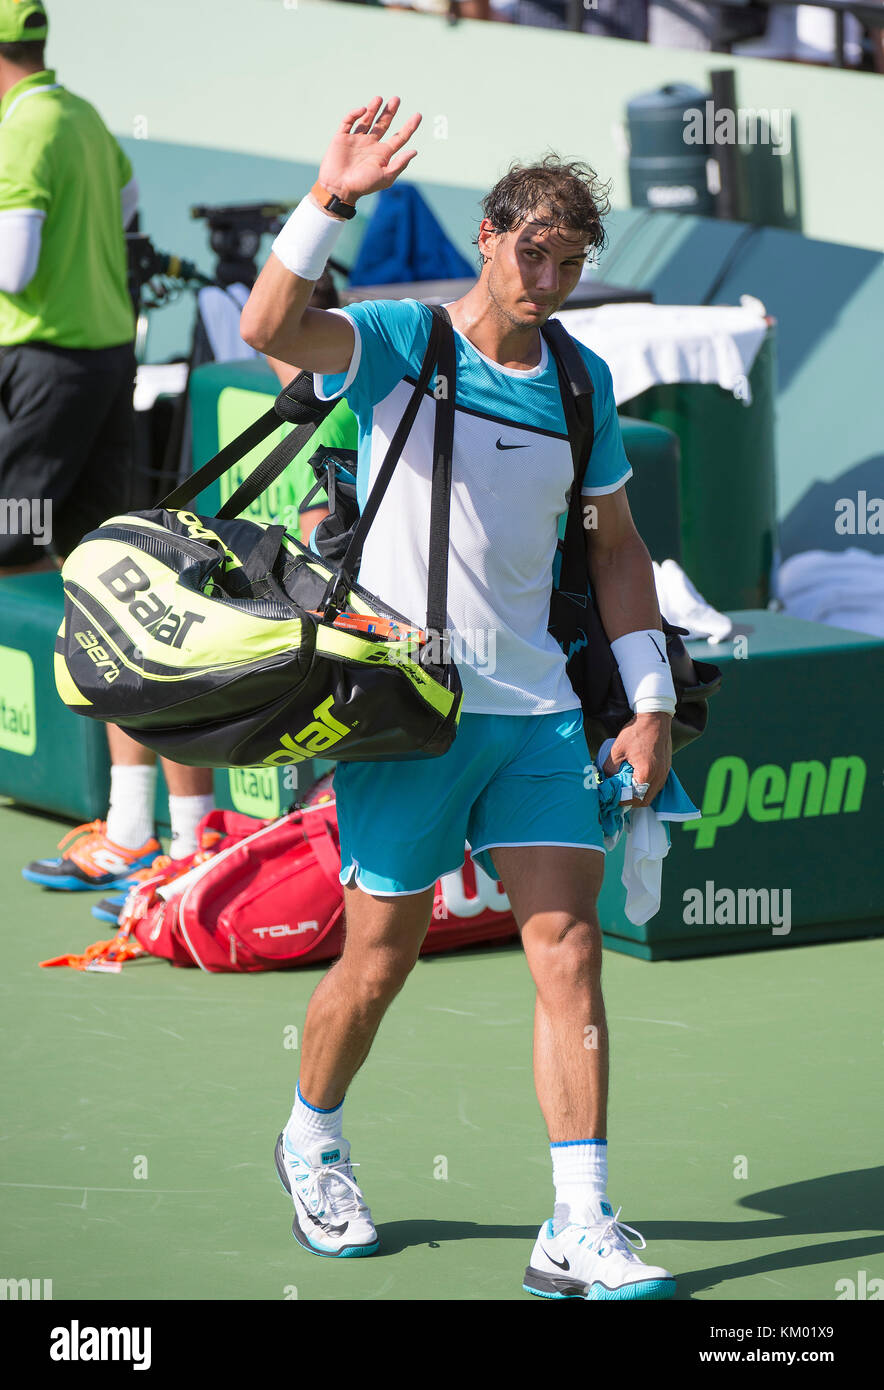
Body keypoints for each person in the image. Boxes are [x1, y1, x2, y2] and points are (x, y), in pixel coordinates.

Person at [241, 96, 677, 1300]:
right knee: (377, 961)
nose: (547, 275)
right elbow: (266, 321)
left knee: (567, 949)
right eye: (530, 249)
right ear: (487, 238)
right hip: (406, 711)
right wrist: (330, 200)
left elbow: (614, 550)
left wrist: (644, 699)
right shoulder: (398, 340)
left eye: (570, 260)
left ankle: (578, 1221)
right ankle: (310, 1136)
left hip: (534, 712)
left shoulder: (580, 387)